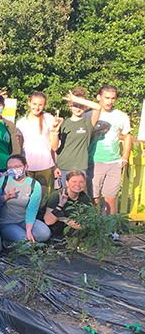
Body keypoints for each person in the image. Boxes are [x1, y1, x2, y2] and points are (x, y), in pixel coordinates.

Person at [86, 85, 132, 222]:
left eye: (113, 98)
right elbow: (83, 136)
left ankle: (111, 229)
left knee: (110, 198)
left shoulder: (121, 116)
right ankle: (94, 226)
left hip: (113, 162)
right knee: (93, 198)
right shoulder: (88, 115)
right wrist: (97, 130)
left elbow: (127, 135)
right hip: (93, 160)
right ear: (98, 97)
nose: (109, 101)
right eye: (106, 98)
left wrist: (125, 155)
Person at [51, 88, 101, 189]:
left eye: (81, 106)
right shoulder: (64, 123)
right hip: (63, 167)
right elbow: (54, 147)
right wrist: (55, 131)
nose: (78, 109)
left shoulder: (87, 123)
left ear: (85, 107)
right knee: (62, 198)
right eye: (75, 105)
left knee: (76, 199)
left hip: (79, 168)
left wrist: (76, 99)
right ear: (70, 106)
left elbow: (98, 107)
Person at [0, 155, 51, 245]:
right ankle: (7, 244)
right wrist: (5, 197)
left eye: (17, 167)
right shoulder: (3, 181)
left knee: (44, 233)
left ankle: (25, 240)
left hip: (24, 220)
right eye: (10, 168)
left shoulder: (34, 185)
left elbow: (32, 209)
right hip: (6, 222)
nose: (13, 170)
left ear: (25, 167)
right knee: (25, 244)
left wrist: (28, 230)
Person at [16, 92, 61, 193]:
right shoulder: (21, 123)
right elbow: (18, 148)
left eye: (40, 104)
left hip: (45, 165)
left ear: (44, 105)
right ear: (29, 103)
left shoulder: (49, 119)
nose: (37, 107)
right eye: (34, 104)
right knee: (26, 196)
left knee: (40, 197)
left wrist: (55, 131)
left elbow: (53, 147)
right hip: (27, 166)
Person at [41, 170, 92, 238]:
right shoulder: (57, 196)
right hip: (50, 228)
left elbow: (87, 223)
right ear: (67, 183)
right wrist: (60, 205)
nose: (78, 184)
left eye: (81, 182)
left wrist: (63, 219)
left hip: (71, 227)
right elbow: (48, 221)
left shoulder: (85, 198)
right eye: (74, 182)